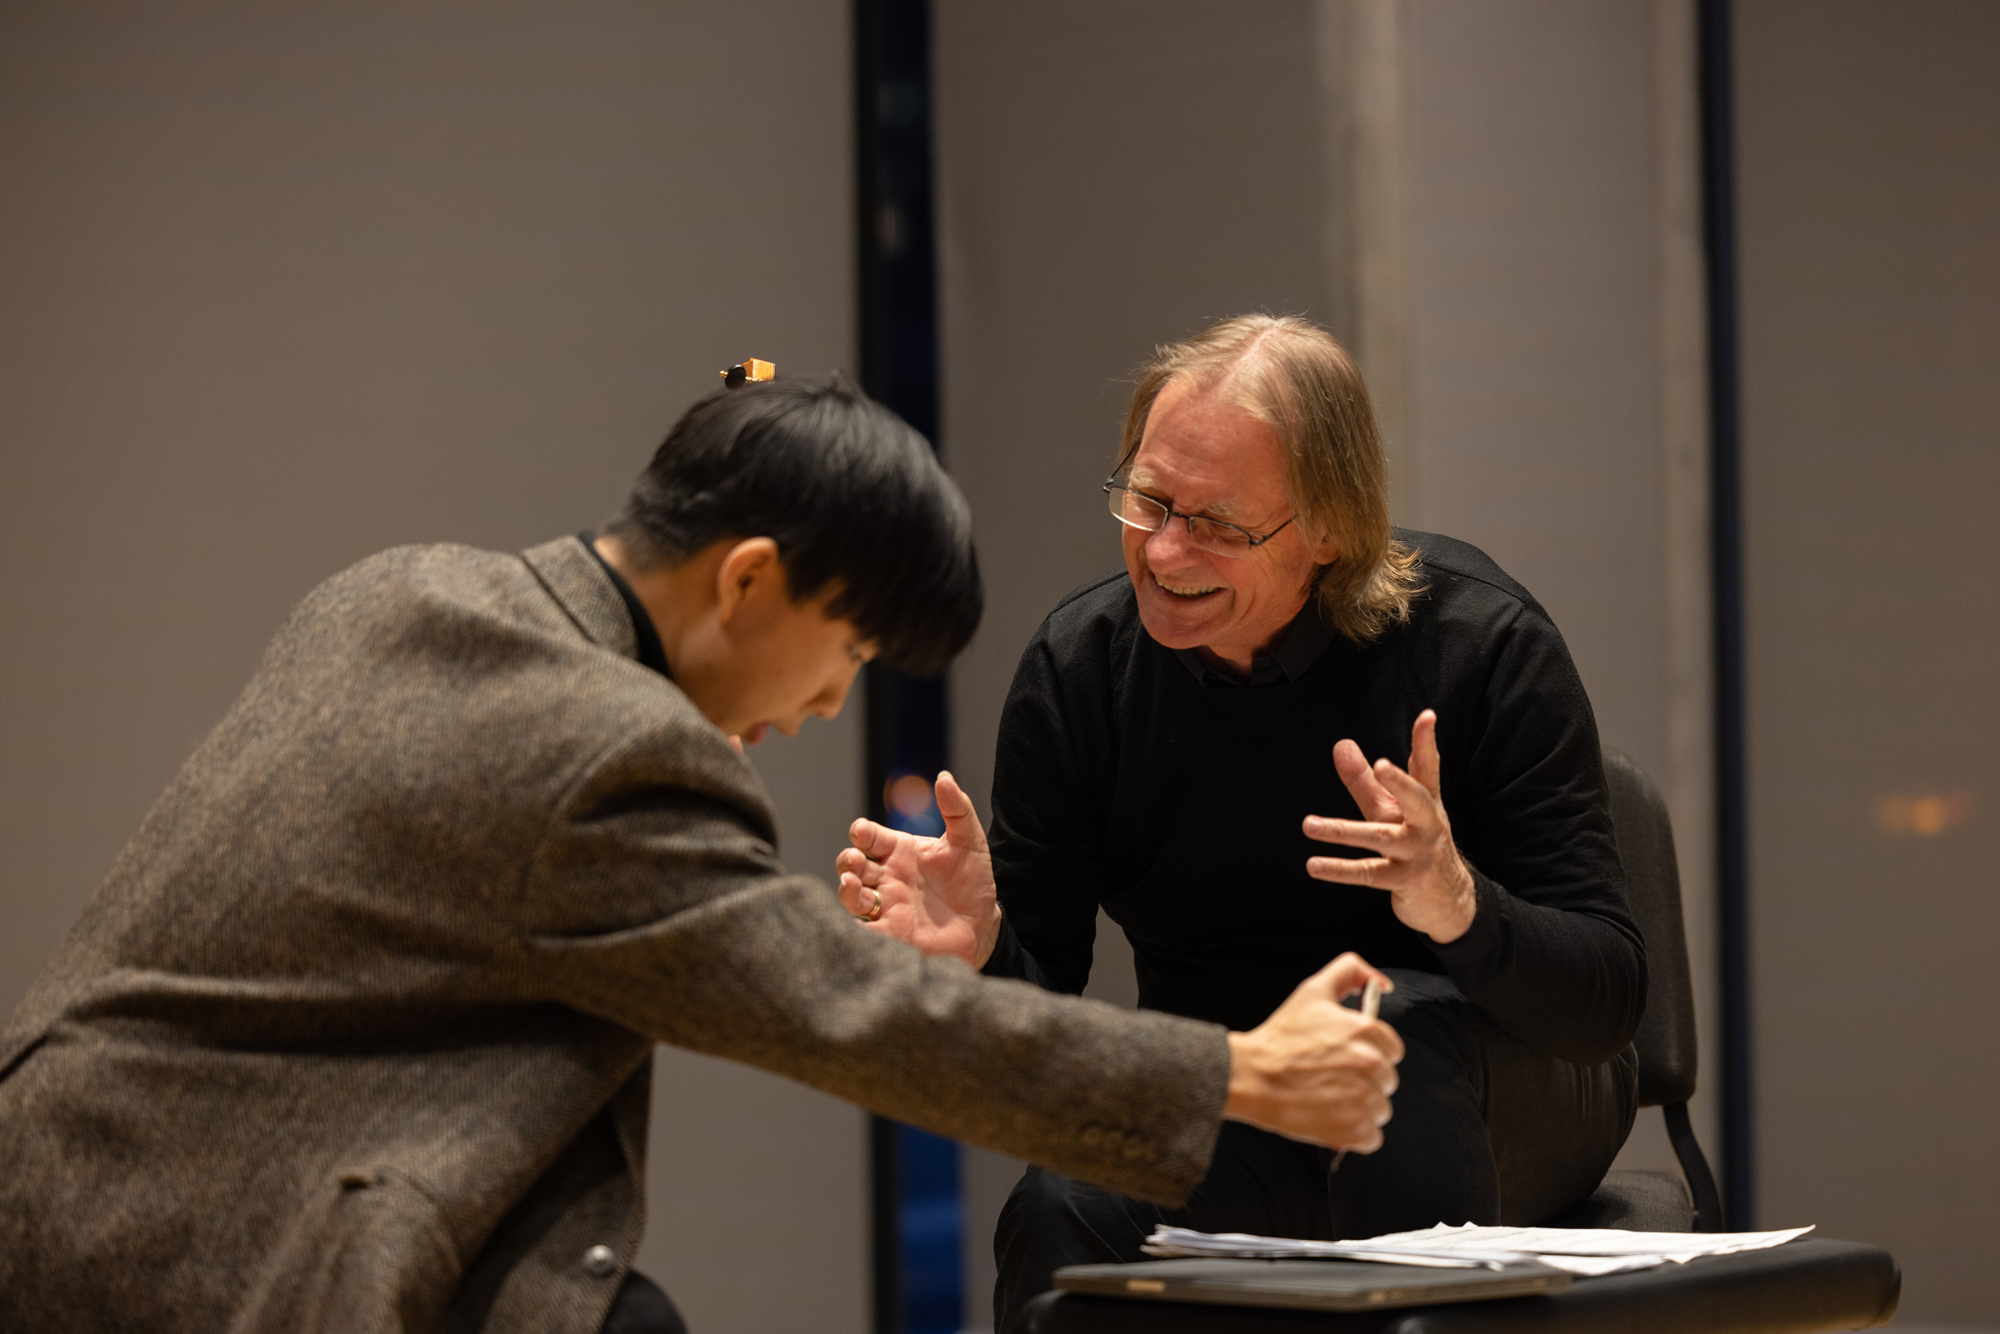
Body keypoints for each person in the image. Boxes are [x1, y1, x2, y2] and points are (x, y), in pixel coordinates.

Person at [0, 373, 1404, 1334]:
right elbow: (856, 1016)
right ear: (746, 578)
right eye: (846, 647)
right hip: (219, 1240)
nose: (829, 705)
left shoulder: (403, 589)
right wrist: (1242, 1072)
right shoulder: (612, 753)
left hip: (66, 1176)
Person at [836, 316, 1648, 1331]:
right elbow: (1045, 1019)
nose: (1166, 549)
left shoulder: (1479, 645)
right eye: (1148, 500)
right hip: (1249, 1098)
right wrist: (982, 953)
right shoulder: (1080, 671)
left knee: (1379, 1029)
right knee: (1062, 1208)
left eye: (1218, 522)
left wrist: (1461, 906)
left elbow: (1607, 1003)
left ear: (1329, 529)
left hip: (1507, 1092)